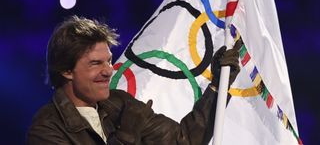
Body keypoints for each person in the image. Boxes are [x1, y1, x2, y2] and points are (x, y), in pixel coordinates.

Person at [27, 15, 241, 145]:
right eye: (95, 63)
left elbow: (184, 141)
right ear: (66, 70)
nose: (108, 71)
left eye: (109, 61)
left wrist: (217, 86)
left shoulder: (120, 103)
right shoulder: (46, 129)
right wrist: (126, 137)